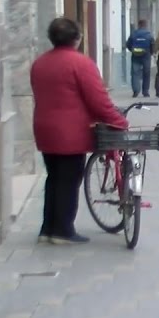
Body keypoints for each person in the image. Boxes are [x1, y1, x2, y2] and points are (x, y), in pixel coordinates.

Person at [30, 17, 129, 244]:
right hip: (70, 132)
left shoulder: (40, 63)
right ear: (76, 38)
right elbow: (98, 100)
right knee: (69, 178)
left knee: (54, 177)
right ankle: (63, 230)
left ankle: (48, 228)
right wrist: (119, 121)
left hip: (44, 128)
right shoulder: (80, 63)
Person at [125, 19, 153, 97]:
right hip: (146, 55)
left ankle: (136, 91)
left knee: (135, 73)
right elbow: (152, 44)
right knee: (146, 73)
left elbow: (128, 44)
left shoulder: (134, 34)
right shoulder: (149, 34)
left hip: (135, 55)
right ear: (145, 25)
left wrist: (133, 50)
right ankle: (145, 92)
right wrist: (151, 52)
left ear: (139, 25)